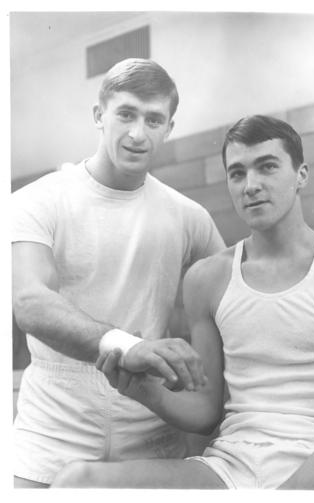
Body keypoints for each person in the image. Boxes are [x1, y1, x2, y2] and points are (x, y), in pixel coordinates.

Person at [52, 115, 314, 490]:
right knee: (75, 482)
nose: (251, 185)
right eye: (237, 173)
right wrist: (140, 389)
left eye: (267, 167)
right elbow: (205, 411)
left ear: (301, 175)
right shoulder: (206, 279)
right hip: (231, 468)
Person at [11, 58, 225, 488]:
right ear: (99, 115)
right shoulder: (36, 200)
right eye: (125, 113)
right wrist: (128, 347)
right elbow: (30, 302)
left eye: (153, 119)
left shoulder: (189, 216)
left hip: (150, 430)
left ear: (169, 128)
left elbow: (238, 301)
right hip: (52, 429)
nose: (137, 133)